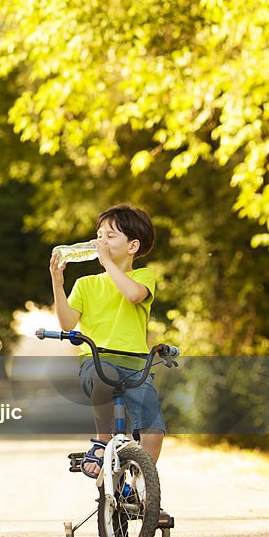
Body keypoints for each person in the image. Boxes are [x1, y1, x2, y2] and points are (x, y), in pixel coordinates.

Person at [49, 203, 165, 494]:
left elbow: (134, 295)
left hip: (137, 365)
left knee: (154, 426)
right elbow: (66, 322)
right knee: (103, 378)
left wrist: (108, 264)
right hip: (97, 361)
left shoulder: (143, 277)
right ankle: (102, 442)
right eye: (98, 235)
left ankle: (142, 489)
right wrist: (57, 282)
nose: (101, 242)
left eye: (110, 236)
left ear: (132, 246)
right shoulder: (86, 284)